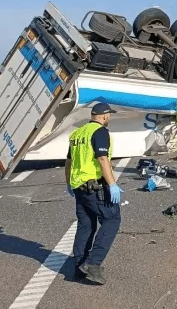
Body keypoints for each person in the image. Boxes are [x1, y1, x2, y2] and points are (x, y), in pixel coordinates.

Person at [65, 102, 122, 285]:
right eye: (109, 115)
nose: (109, 118)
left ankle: (78, 267)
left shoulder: (77, 134)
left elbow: (69, 161)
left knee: (86, 226)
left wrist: (69, 183)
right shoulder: (100, 132)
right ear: (104, 116)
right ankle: (93, 263)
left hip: (79, 187)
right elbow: (102, 158)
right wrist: (112, 184)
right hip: (94, 187)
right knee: (112, 220)